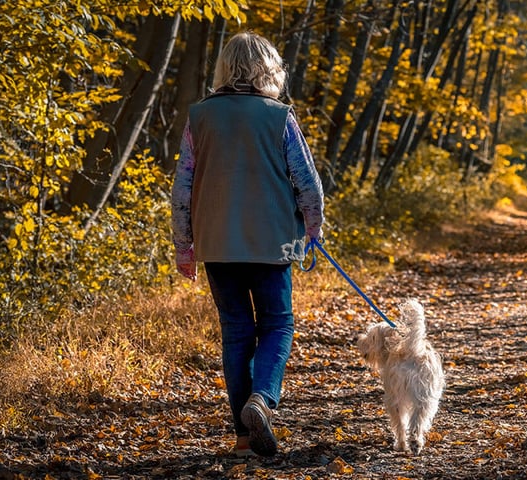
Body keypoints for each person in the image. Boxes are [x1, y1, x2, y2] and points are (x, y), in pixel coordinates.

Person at [170, 31, 324, 458]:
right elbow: (307, 182)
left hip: (217, 244)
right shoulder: (279, 116)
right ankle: (262, 399)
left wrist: (184, 246)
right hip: (275, 243)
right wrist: (314, 229)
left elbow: (183, 189)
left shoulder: (199, 117)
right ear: (268, 70)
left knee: (236, 332)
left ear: (224, 68)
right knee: (278, 324)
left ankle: (243, 438)